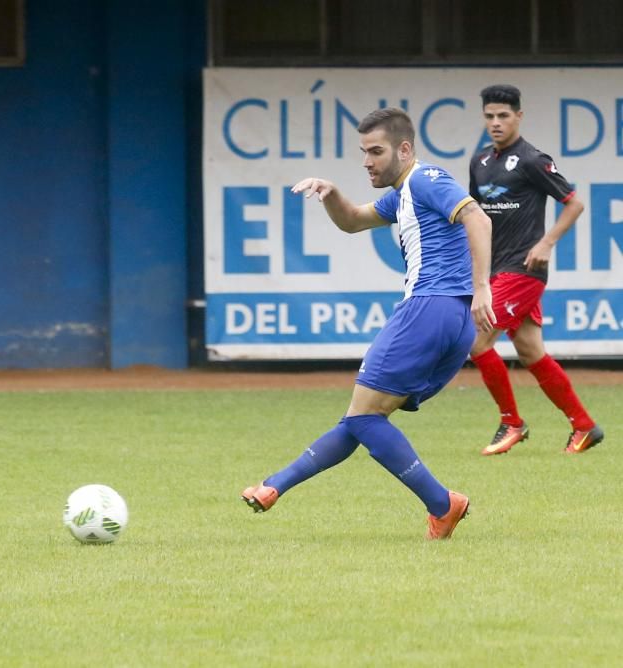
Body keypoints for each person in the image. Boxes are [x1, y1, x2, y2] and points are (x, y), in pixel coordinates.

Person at [241, 108, 495, 540]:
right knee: (363, 417)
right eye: (363, 152)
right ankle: (273, 486)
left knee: (364, 419)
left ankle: (442, 503)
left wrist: (483, 286)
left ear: (404, 149)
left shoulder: (424, 179)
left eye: (376, 151)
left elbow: (478, 217)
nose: (367, 161)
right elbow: (354, 221)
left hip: (429, 308)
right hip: (452, 323)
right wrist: (332, 194)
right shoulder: (403, 195)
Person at [468, 84, 603, 456]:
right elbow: (474, 216)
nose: (496, 122)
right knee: (531, 352)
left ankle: (511, 421)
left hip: (523, 270)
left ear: (519, 117)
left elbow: (574, 204)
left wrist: (546, 243)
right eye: (490, 116)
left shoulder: (531, 159)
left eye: (503, 116)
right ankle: (585, 426)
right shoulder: (479, 162)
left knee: (476, 341)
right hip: (495, 269)